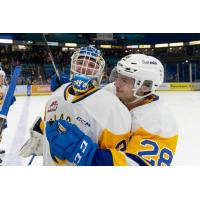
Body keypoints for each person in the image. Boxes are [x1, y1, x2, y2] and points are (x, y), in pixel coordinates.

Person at [45, 54, 179, 166]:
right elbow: (89, 104)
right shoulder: (114, 91)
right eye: (118, 76)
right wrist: (70, 88)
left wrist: (85, 153)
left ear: (145, 87)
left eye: (125, 80)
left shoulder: (160, 122)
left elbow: (136, 166)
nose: (116, 83)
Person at [19, 46, 132, 166]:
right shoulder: (57, 93)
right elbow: (51, 126)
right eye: (81, 62)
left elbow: (116, 159)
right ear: (72, 64)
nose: (84, 68)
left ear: (100, 72)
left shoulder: (110, 106)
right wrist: (42, 136)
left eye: (92, 65)